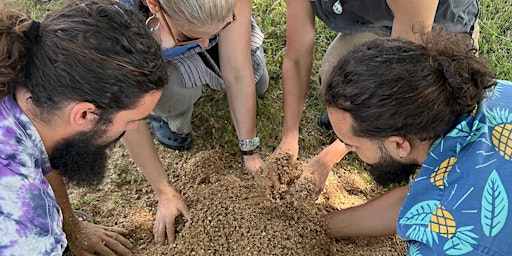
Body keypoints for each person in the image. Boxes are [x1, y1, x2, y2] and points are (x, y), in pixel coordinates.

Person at [323, 30, 512, 255]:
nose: (348, 149)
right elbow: (420, 199)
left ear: (400, 145)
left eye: (352, 144)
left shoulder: (446, 243)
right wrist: (321, 226)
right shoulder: (497, 94)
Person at [0, 0, 167, 254]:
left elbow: (44, 156)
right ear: (85, 114)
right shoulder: (28, 228)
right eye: (131, 119)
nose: (133, 128)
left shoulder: (19, 83)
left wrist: (70, 225)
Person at [274, 0, 480, 194]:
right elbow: (296, 57)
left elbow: (402, 82)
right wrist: (289, 136)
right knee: (332, 73)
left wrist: (334, 152)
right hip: (385, 23)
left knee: (415, 117)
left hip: (434, 29)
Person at [109, 0, 269, 247]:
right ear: (154, 6)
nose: (203, 43)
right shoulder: (112, 20)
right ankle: (163, 113)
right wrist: (164, 191)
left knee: (258, 84)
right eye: (189, 35)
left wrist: (249, 152)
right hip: (163, 55)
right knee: (172, 95)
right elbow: (124, 112)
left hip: (199, 24)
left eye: (226, 22)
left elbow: (238, 71)